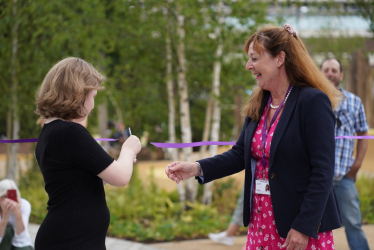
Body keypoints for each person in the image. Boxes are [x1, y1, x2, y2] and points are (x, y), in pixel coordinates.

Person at [165, 24, 342, 250]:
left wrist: (304, 226)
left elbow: (323, 171)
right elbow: (240, 154)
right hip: (261, 223)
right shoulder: (260, 102)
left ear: (280, 59)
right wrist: (197, 168)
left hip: (298, 227)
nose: (249, 66)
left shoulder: (312, 102)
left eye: (255, 58)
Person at [34, 57, 141, 250]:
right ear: (77, 94)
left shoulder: (50, 132)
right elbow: (121, 178)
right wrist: (128, 149)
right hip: (72, 241)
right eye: (92, 96)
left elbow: (82, 183)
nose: (92, 106)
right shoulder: (70, 132)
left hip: (70, 238)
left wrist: (123, 161)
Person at [321, 58, 370, 250]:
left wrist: (356, 165)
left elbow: (363, 133)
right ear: (320, 73)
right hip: (316, 178)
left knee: (354, 224)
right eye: (326, 70)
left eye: (334, 70)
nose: (330, 73)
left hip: (344, 178)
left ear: (341, 75)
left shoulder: (355, 102)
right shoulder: (310, 99)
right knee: (311, 225)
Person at [0, 179, 33, 250]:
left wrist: (17, 213)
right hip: (3, 244)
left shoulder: (24, 204)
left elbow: (21, 237)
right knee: (8, 229)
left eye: (12, 196)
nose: (9, 200)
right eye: (5, 197)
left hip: (20, 244)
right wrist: (5, 217)